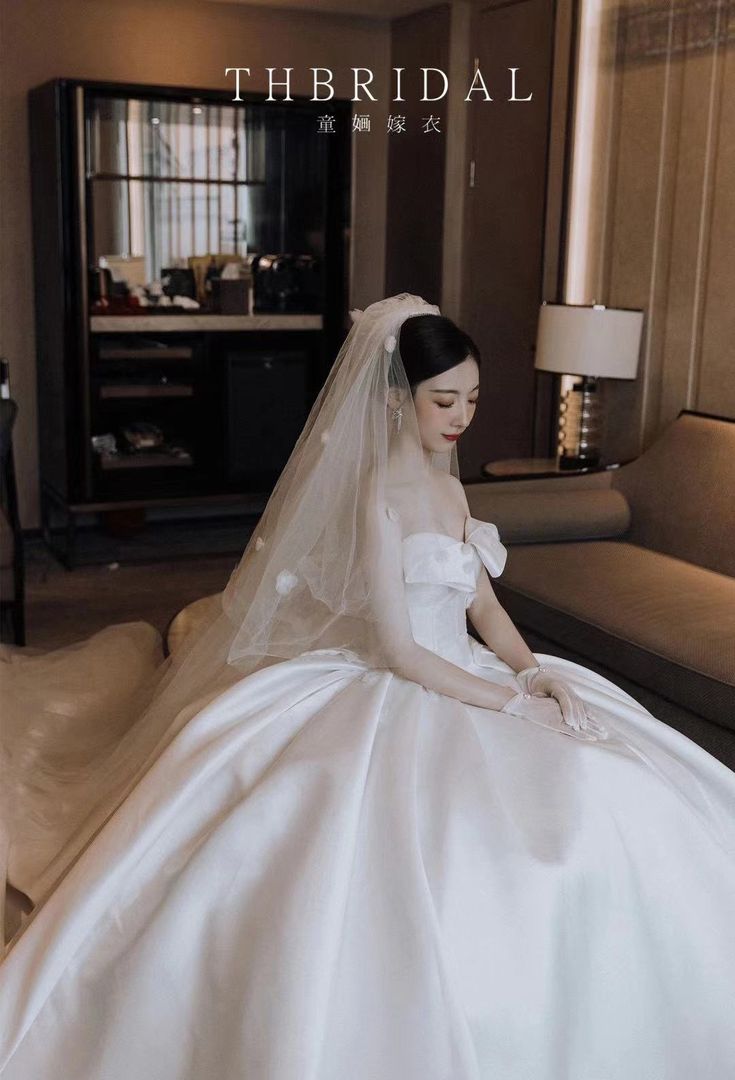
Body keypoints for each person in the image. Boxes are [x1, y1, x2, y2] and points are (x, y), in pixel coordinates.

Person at [1, 293, 734, 1079]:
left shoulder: (452, 489)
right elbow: (399, 648)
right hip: (406, 678)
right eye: (443, 400)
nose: (460, 418)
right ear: (396, 398)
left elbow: (484, 605)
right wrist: (506, 702)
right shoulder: (375, 497)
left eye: (472, 399)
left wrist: (532, 672)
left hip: (475, 668)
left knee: (611, 777)